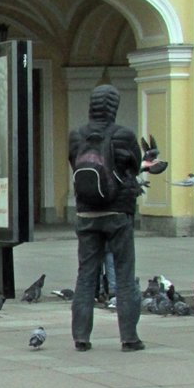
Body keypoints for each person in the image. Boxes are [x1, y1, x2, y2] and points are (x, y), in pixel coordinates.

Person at [68, 84, 144, 352]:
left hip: (86, 213)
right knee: (124, 275)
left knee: (85, 276)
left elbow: (74, 165)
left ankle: (81, 337)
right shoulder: (123, 135)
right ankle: (129, 338)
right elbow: (135, 164)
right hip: (118, 213)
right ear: (114, 107)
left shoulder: (77, 135)